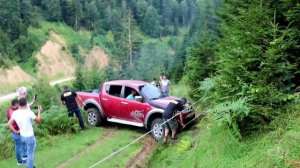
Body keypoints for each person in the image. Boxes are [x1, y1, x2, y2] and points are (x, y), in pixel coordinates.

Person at [7, 98, 42, 168]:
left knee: (28, 153)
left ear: (19, 104)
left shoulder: (15, 113)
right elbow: (38, 121)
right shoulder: (29, 112)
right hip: (30, 136)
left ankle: (30, 165)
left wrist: (15, 131)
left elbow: (9, 124)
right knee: (30, 154)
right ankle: (30, 166)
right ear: (26, 104)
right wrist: (39, 112)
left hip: (22, 136)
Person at [7, 99, 27, 165]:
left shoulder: (15, 109)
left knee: (23, 143)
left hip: (20, 131)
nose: (19, 105)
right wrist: (15, 131)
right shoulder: (11, 112)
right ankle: (19, 161)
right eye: (18, 104)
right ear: (15, 104)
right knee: (18, 146)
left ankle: (24, 157)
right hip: (16, 132)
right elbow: (9, 123)